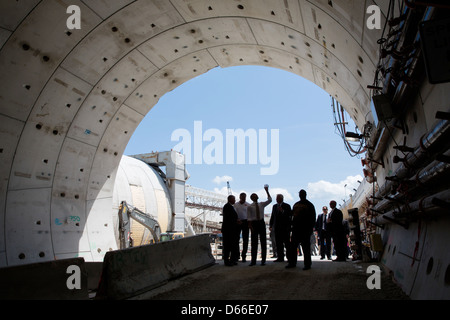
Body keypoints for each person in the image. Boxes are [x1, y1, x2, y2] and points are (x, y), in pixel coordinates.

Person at [287, 189, 316, 270]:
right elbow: (292, 215)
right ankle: (292, 262)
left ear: (305, 194)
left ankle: (307, 264)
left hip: (305, 230)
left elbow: (313, 218)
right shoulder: (296, 204)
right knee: (293, 247)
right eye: (300, 194)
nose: (301, 195)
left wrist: (310, 229)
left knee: (306, 248)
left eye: (302, 194)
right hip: (296, 229)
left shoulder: (309, 205)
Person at [247, 185, 272, 266]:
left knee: (263, 241)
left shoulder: (261, 204)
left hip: (261, 223)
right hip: (254, 223)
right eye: (254, 196)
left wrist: (267, 191)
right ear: (252, 198)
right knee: (254, 242)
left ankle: (263, 260)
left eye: (256, 195)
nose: (256, 196)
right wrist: (250, 227)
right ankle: (253, 260)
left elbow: (270, 200)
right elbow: (249, 218)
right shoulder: (250, 207)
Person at [269, 194, 292, 262]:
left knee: (287, 243)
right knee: (279, 244)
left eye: (278, 198)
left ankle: (289, 257)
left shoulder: (287, 206)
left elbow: (289, 215)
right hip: (277, 228)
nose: (277, 200)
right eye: (276, 198)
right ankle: (280, 257)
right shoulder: (274, 206)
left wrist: (283, 211)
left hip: (285, 228)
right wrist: (271, 225)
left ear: (281, 199)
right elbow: (273, 216)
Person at [221, 195, 239, 266]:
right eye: (233, 199)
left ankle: (231, 260)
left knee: (231, 245)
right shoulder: (227, 207)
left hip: (230, 229)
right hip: (228, 230)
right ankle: (227, 261)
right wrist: (236, 221)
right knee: (228, 246)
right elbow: (229, 218)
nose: (235, 201)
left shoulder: (229, 207)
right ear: (230, 200)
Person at [234, 192, 250, 262]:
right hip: (237, 222)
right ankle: (237, 255)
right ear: (240, 197)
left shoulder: (248, 205)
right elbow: (233, 213)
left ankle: (244, 256)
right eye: (242, 197)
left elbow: (250, 214)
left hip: (245, 222)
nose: (244, 198)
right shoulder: (235, 205)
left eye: (245, 197)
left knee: (245, 240)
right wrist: (237, 220)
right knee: (236, 239)